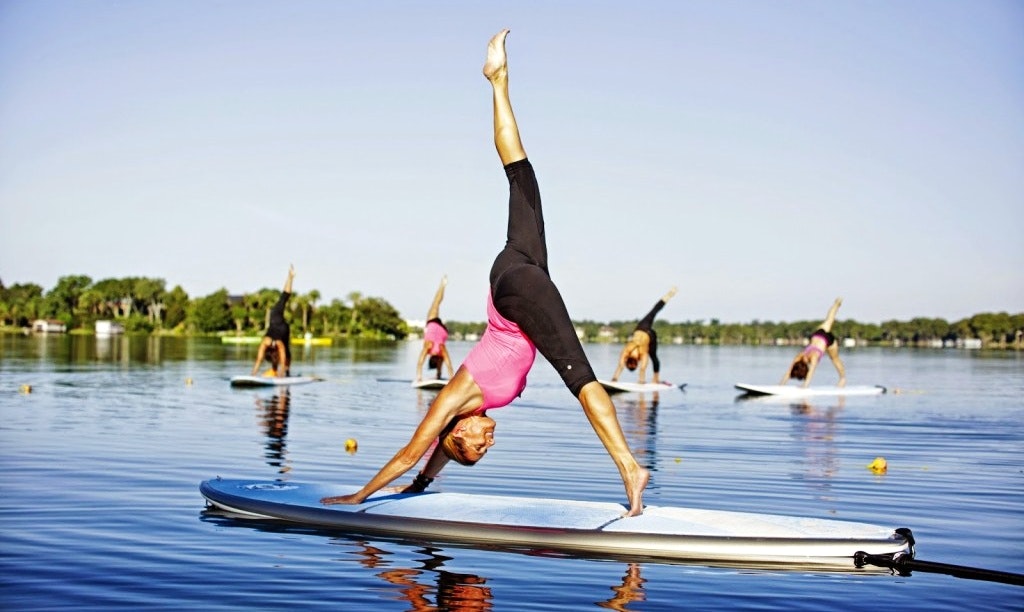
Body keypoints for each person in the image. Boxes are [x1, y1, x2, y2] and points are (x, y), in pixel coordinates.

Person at [322, 29, 648, 516]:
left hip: (517, 289)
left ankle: (629, 468)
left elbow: (415, 450)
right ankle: (498, 81)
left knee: (581, 377)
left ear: (458, 429)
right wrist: (420, 487)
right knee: (522, 174)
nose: (487, 443)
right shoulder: (468, 410)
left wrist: (358, 497)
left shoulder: (453, 399)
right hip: (518, 274)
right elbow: (432, 457)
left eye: (475, 446)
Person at [611, 287, 678, 384]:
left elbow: (621, 365)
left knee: (653, 311)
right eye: (634, 366)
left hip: (641, 328)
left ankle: (668, 295)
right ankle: (656, 378)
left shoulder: (626, 351)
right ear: (636, 364)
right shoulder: (643, 353)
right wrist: (641, 380)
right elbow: (642, 368)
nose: (633, 364)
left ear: (628, 362)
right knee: (653, 356)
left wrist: (615, 378)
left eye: (630, 365)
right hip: (651, 337)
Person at [780, 297, 847, 388]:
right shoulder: (800, 357)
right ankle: (836, 304)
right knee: (829, 320)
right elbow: (789, 371)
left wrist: (805, 386)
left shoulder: (809, 357)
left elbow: (811, 372)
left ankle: (843, 378)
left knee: (835, 359)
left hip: (827, 340)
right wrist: (780, 386)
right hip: (818, 335)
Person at [251, 265, 295, 378]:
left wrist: (253, 374)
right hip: (281, 325)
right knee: (283, 299)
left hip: (280, 325)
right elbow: (283, 356)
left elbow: (259, 360)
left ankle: (290, 277)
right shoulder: (272, 343)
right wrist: (282, 374)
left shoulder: (269, 342)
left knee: (283, 299)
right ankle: (287, 372)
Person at [415, 275, 455, 381]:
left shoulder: (432, 347)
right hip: (433, 325)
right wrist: (452, 379)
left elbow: (420, 362)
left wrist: (419, 377)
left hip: (442, 330)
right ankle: (443, 285)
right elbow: (449, 365)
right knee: (436, 303)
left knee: (436, 303)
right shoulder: (433, 347)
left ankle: (443, 284)